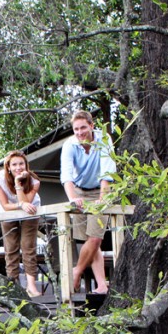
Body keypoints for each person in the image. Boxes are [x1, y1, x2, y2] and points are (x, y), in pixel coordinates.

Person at [60, 110, 116, 295]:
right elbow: (66, 176)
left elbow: (107, 174)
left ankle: (76, 270)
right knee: (87, 239)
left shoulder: (104, 139)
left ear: (92, 126)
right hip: (78, 191)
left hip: (100, 191)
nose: (80, 132)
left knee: (96, 236)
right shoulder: (70, 145)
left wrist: (102, 200)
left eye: (83, 127)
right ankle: (102, 284)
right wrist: (73, 199)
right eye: (76, 129)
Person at [0, 150, 43, 298]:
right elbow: (6, 205)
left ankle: (31, 286)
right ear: (8, 167)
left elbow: (27, 203)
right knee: (11, 247)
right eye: (14, 164)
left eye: (21, 163)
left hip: (31, 209)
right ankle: (13, 284)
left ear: (26, 165)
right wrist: (20, 204)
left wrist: (18, 183)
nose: (18, 167)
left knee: (28, 245)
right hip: (9, 210)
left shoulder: (34, 181)